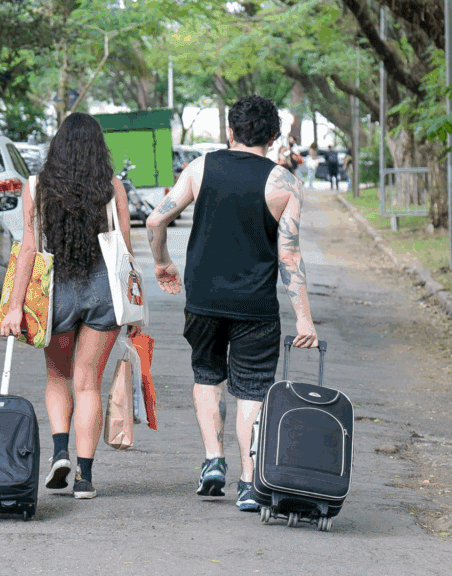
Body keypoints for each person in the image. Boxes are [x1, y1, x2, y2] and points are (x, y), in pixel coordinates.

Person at [145, 95, 318, 512]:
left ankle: (212, 462)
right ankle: (248, 482)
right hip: (255, 307)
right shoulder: (283, 183)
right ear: (273, 137)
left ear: (230, 131)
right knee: (252, 390)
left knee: (207, 376)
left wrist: (163, 262)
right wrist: (304, 319)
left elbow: (155, 220)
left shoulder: (200, 168)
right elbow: (289, 256)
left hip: (203, 300)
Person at [0, 112, 140, 500]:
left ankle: (60, 452)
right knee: (88, 382)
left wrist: (15, 307)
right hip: (103, 290)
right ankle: (85, 478)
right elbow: (126, 250)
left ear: (57, 145)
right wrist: (134, 309)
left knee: (58, 378)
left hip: (55, 291)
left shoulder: (36, 186)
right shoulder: (112, 186)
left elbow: (29, 249)